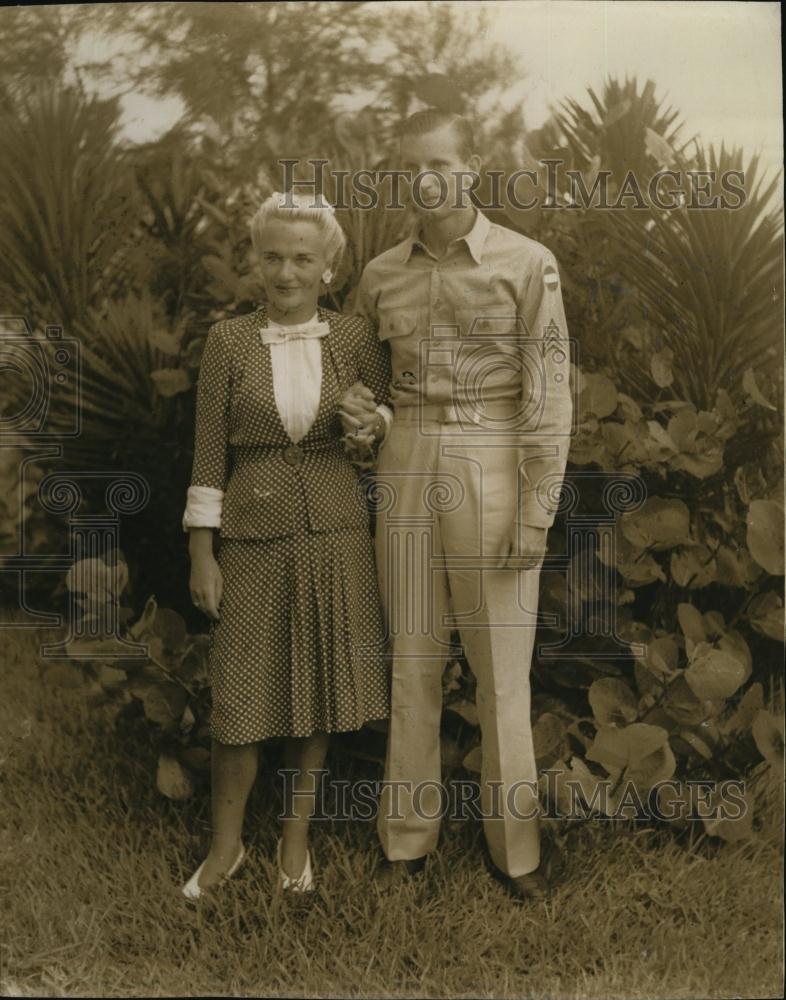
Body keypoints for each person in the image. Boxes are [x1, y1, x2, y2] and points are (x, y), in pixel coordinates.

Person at [345, 108, 573, 901]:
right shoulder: (380, 274)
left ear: (472, 168)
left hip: (495, 459)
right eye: (410, 168)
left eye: (439, 164)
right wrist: (363, 421)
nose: (424, 181)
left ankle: (517, 854)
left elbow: (549, 397)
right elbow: (362, 386)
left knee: (501, 674)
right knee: (412, 661)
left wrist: (536, 509)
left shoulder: (525, 263)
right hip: (406, 459)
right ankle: (406, 843)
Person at [181, 191, 392, 898]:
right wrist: (201, 553)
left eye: (303, 257)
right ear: (255, 261)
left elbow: (377, 430)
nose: (286, 271)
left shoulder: (357, 338)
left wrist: (370, 423)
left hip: (336, 536)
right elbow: (210, 454)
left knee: (320, 691)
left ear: (329, 267)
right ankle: (225, 847)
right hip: (251, 538)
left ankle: (295, 844)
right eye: (272, 256)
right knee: (239, 698)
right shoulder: (228, 341)